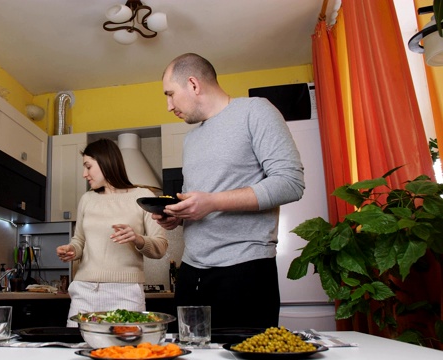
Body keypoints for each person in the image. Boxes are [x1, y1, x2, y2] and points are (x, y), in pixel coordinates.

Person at [154, 53, 305, 329]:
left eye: (170, 94)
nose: (168, 105)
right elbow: (200, 202)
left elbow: (290, 182)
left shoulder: (255, 111)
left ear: (193, 84)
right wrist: (178, 216)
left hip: (244, 270)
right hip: (191, 273)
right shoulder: (191, 139)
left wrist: (212, 202)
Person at [56, 138, 168, 327]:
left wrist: (138, 239)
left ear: (105, 162)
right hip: (84, 292)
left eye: (88, 166)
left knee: (126, 351)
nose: (84, 174)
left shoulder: (144, 197)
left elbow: (161, 247)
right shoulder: (87, 199)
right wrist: (72, 250)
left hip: (126, 294)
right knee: (76, 351)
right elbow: (80, 240)